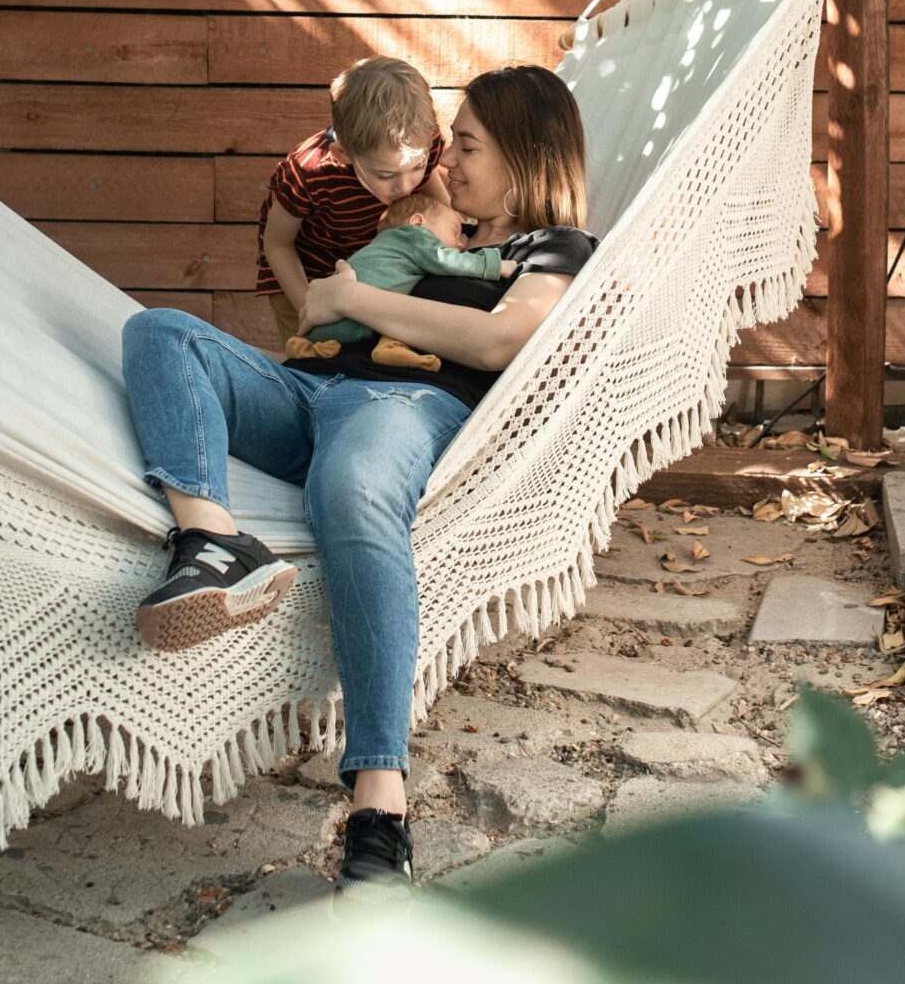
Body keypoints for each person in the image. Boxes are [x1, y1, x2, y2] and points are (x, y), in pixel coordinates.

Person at [121, 65, 595, 892]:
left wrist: (355, 297)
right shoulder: (429, 221)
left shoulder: (549, 247)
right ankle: (210, 539)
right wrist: (339, 295)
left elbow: (495, 342)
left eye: (470, 145)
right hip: (311, 387)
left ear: (525, 158)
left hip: (404, 402)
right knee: (162, 333)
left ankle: (379, 804)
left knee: (352, 490)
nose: (449, 162)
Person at [254, 57, 445, 350]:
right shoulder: (308, 172)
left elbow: (434, 196)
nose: (406, 187)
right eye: (385, 175)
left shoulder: (423, 142)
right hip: (305, 275)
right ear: (343, 155)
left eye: (416, 168)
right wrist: (310, 308)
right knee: (313, 357)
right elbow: (277, 245)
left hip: (369, 268)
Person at [281, 194, 513, 370]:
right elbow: (446, 260)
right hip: (353, 318)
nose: (461, 242)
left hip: (325, 326)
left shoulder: (383, 244)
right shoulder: (416, 237)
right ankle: (389, 347)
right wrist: (495, 264)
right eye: (455, 231)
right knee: (403, 311)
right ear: (417, 221)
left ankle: (304, 347)